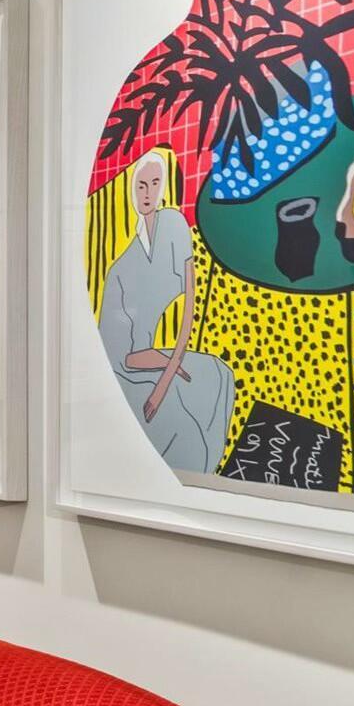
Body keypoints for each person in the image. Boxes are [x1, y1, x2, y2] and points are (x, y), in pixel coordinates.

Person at [100, 149, 236, 472]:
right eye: (141, 186)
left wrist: (173, 362)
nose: (147, 193)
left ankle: (212, 478)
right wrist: (164, 373)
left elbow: (189, 300)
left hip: (164, 356)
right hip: (132, 368)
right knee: (185, 430)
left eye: (154, 184)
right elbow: (123, 357)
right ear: (131, 190)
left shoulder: (174, 226)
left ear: (162, 187)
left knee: (219, 375)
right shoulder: (120, 271)